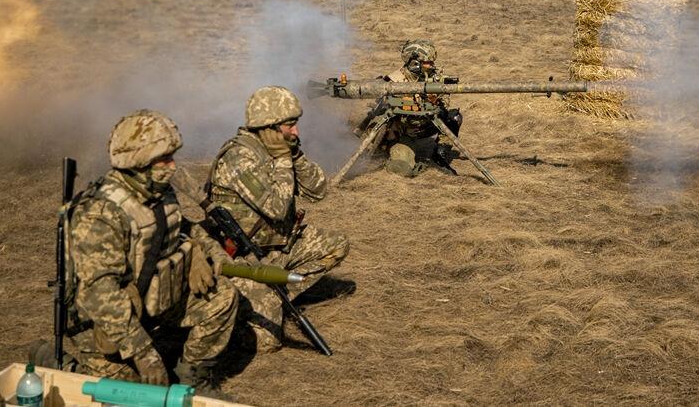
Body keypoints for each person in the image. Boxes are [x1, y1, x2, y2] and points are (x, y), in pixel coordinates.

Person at [67, 110, 238, 386]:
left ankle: (193, 380)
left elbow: (180, 225)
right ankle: (60, 364)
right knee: (133, 395)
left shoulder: (159, 190)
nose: (173, 167)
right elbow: (99, 294)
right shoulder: (100, 214)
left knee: (223, 297)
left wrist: (203, 250)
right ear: (139, 162)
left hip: (153, 301)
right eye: (165, 159)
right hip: (106, 323)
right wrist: (144, 353)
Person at [204, 86, 349, 353]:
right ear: (269, 127)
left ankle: (276, 294)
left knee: (336, 245)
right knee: (268, 342)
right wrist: (284, 159)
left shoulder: (282, 147)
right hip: (242, 261)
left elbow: (319, 190)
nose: (296, 132)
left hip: (278, 248)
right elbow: (278, 209)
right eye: (290, 126)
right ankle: (240, 303)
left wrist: (295, 155)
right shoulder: (239, 158)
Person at [372, 39, 463, 177]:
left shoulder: (433, 77)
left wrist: (435, 100)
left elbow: (444, 104)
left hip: (425, 124)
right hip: (402, 133)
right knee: (402, 168)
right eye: (428, 62)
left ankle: (440, 155)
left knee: (453, 118)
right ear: (415, 63)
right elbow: (382, 115)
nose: (432, 65)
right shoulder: (394, 82)